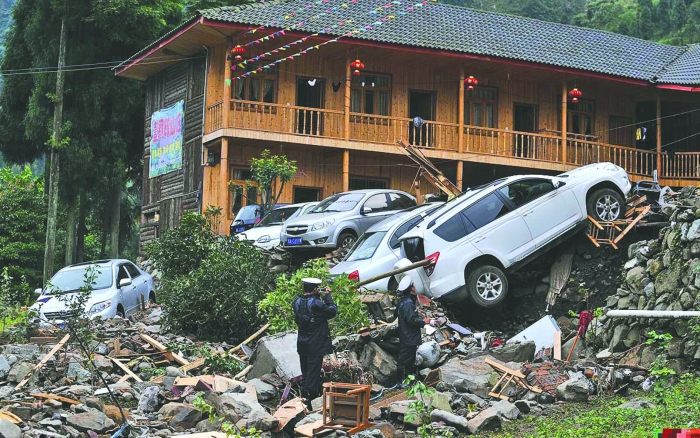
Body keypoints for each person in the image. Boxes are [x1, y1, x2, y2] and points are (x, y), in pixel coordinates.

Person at [292, 277, 337, 408]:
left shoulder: (296, 302)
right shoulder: (317, 304)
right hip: (315, 345)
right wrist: (328, 297)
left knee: (306, 374)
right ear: (315, 289)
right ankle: (309, 404)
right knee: (313, 375)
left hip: (302, 344)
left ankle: (305, 400)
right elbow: (332, 311)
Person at [396, 276, 432, 384]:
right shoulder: (407, 303)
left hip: (407, 336)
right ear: (411, 288)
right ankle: (402, 382)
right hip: (409, 337)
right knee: (405, 360)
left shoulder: (403, 301)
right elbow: (411, 320)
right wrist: (423, 322)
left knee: (409, 360)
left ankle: (408, 381)